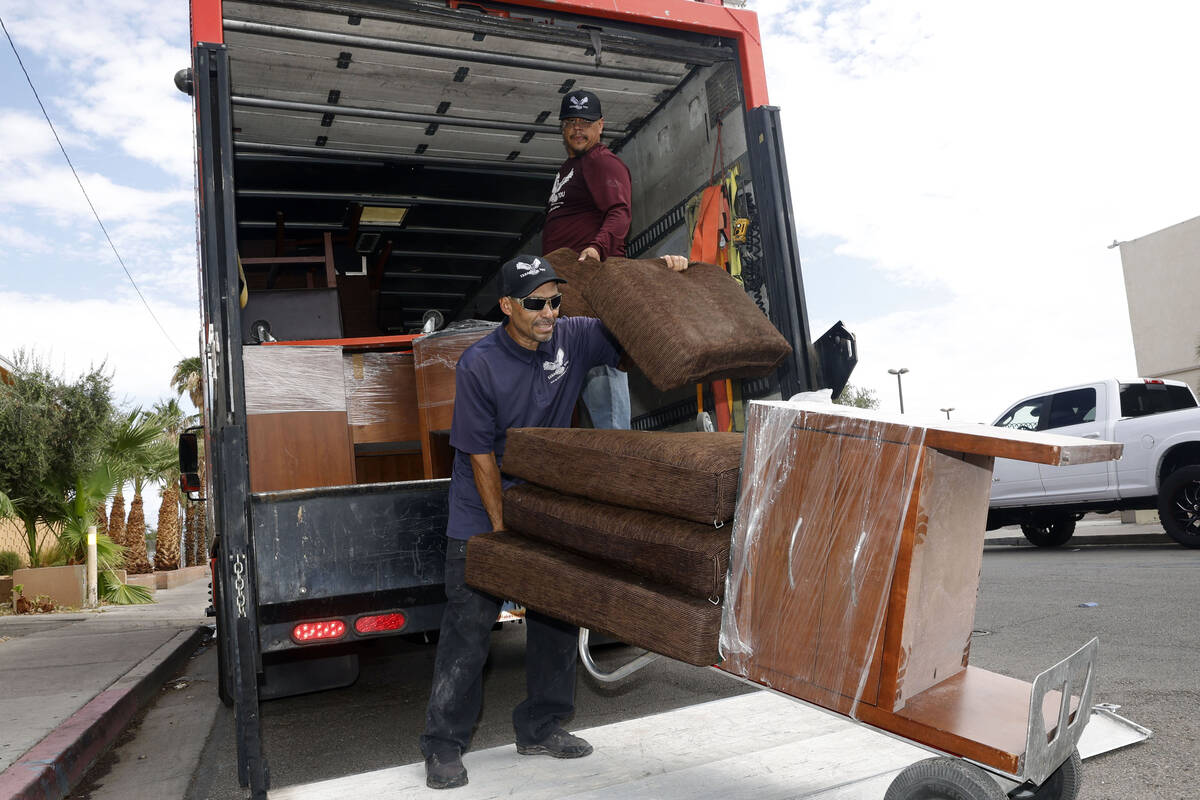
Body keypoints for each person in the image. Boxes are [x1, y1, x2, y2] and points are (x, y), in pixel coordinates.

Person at [420, 253, 620, 790]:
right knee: (469, 629)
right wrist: (505, 532)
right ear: (508, 306)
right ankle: (443, 745)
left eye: (556, 300)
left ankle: (540, 726)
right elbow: (480, 456)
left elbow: (627, 321)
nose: (549, 311)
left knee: (557, 617)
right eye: (536, 303)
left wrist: (664, 276)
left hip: (543, 504)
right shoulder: (480, 364)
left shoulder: (572, 338)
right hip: (480, 510)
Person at [541, 90, 685, 429]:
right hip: (569, 298)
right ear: (563, 127)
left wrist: (597, 248)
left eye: (586, 123)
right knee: (578, 385)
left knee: (604, 384)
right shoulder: (569, 169)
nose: (578, 129)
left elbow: (620, 213)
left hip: (592, 297)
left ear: (600, 126)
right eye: (571, 122)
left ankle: (621, 458)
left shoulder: (601, 161)